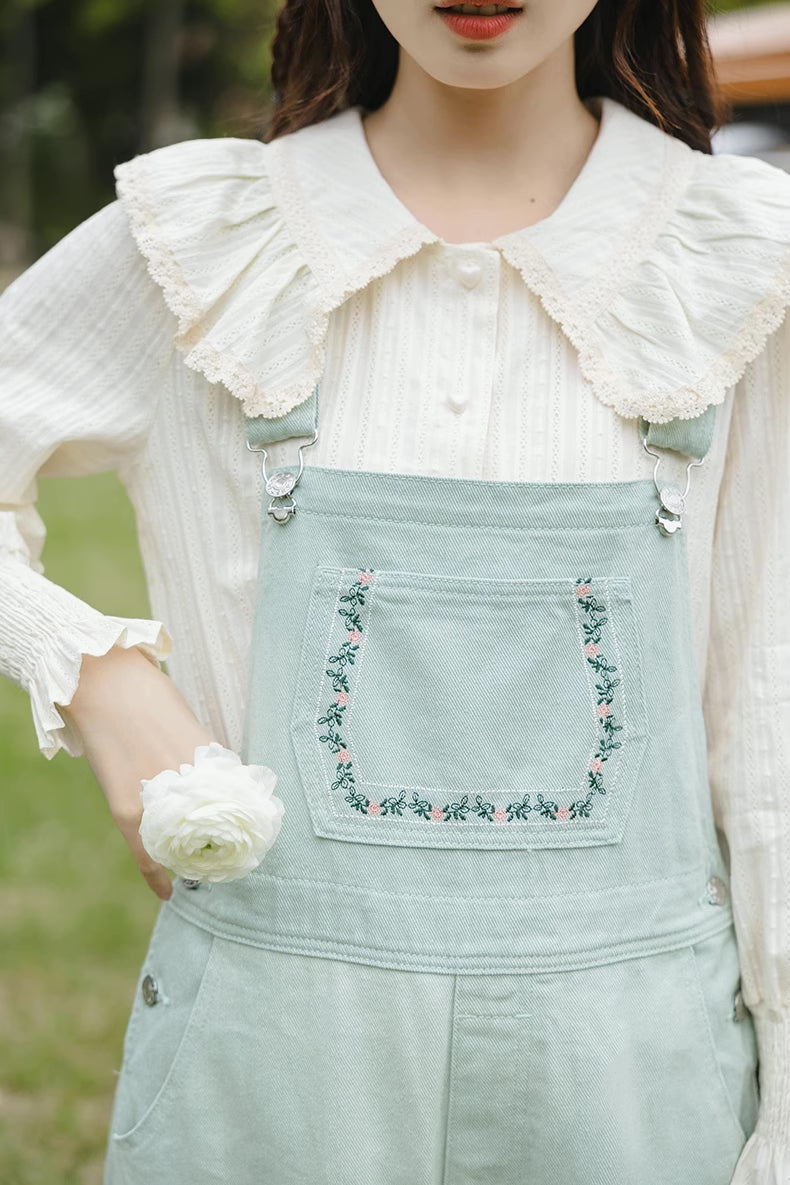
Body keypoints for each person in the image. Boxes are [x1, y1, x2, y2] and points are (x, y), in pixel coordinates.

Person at [1, 0, 789, 1180]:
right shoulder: (206, 240)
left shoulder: (734, 260)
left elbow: (772, 736)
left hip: (635, 1081)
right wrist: (98, 677)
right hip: (270, 1072)